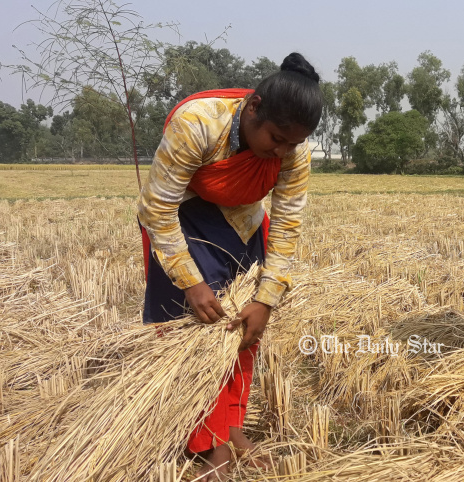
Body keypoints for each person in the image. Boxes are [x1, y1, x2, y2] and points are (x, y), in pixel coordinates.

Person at [137, 52, 322, 481]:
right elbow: (158, 207)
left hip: (243, 225)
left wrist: (266, 299)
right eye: (276, 139)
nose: (282, 151)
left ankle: (231, 427)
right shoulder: (199, 123)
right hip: (185, 222)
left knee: (244, 332)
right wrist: (190, 282)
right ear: (253, 107)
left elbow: (288, 224)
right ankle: (208, 447)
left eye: (292, 144)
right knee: (202, 334)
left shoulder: (294, 151)